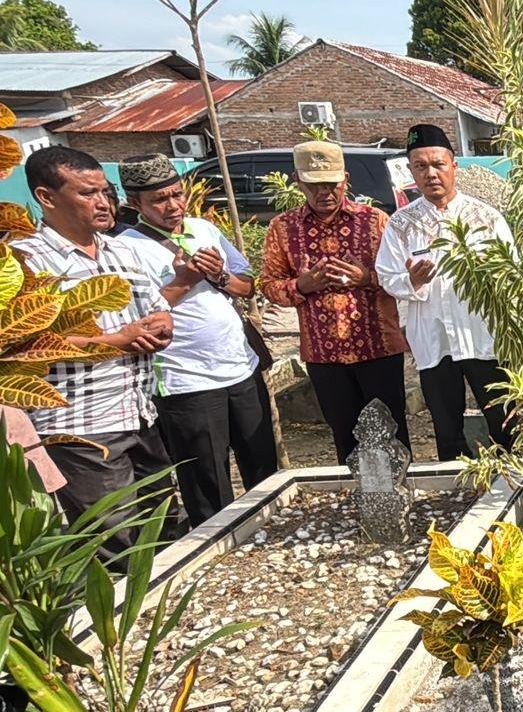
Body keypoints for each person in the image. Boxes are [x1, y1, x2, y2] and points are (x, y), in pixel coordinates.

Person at [12, 146, 179, 561]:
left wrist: (161, 325)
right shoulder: (25, 262)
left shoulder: (121, 251)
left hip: (139, 413)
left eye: (105, 191)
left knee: (167, 528)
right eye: (87, 193)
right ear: (46, 197)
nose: (103, 203)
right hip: (80, 427)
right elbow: (19, 346)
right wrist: (116, 341)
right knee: (116, 545)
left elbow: (156, 307)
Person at [117, 153, 278, 527]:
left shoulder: (203, 229)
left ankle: (270, 526)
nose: (172, 206)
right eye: (159, 200)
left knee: (262, 463)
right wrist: (183, 281)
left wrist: (219, 275)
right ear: (134, 202)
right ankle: (216, 541)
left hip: (240, 367)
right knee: (206, 477)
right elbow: (136, 319)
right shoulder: (126, 248)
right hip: (185, 379)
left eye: (177, 195)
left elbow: (245, 285)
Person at [260, 140, 407, 464]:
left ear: (346, 180)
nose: (324, 192)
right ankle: (359, 504)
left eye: (331, 184)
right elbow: (268, 285)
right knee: (345, 436)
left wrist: (366, 277)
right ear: (298, 182)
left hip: (378, 347)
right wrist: (302, 284)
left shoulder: (375, 221)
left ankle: (402, 498)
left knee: (392, 433)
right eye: (314, 185)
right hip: (325, 355)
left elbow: (402, 278)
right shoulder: (282, 229)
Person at [376, 124, 514, 461]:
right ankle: (460, 490)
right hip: (435, 341)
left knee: (506, 420)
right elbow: (386, 276)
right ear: (411, 172)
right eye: (420, 166)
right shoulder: (401, 224)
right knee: (447, 427)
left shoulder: (485, 217)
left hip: (484, 337)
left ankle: (517, 482)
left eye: (438, 164)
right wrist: (413, 282)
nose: (431, 174)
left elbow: (512, 270)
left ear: (454, 166)